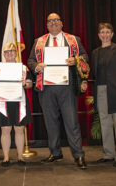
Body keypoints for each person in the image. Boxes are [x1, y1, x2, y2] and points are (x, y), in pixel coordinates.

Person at [27, 13, 88, 169]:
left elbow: (85, 57)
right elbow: (30, 60)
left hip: (67, 86)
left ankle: (78, 155)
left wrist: (76, 60)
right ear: (46, 25)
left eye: (56, 20)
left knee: (72, 122)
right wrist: (36, 67)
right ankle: (55, 153)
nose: (53, 23)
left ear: (62, 23)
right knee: (50, 122)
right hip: (46, 87)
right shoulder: (39, 41)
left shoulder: (74, 39)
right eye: (50, 21)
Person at [91, 23, 116, 167]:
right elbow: (95, 73)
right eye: (102, 32)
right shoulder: (95, 52)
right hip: (100, 90)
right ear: (98, 35)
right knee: (105, 123)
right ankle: (108, 154)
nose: (105, 34)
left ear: (112, 34)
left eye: (107, 32)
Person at [0, 43, 32, 167]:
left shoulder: (23, 68)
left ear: (16, 53)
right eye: (7, 52)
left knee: (19, 129)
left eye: (12, 51)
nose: (10, 54)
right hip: (4, 102)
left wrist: (25, 83)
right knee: (5, 129)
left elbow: (30, 84)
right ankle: (6, 157)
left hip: (19, 102)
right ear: (4, 54)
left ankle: (20, 157)